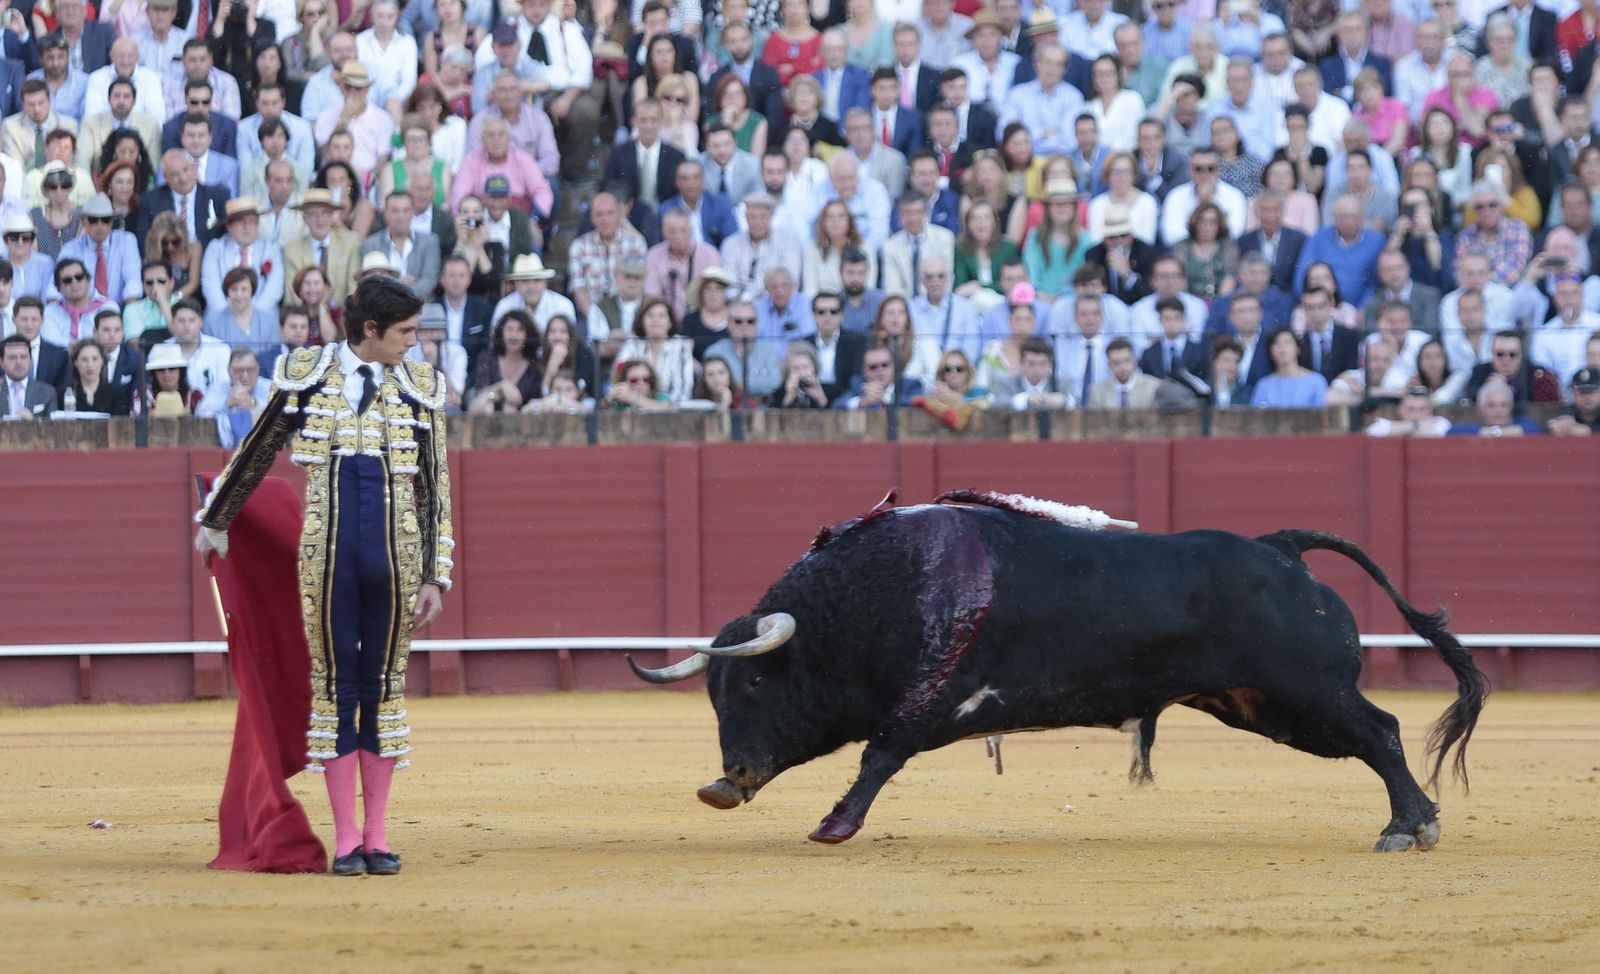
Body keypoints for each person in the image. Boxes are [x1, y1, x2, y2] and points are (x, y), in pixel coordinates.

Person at [196, 277, 449, 878]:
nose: (413, 343)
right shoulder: (307, 376)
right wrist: (218, 518)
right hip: (327, 567)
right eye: (405, 332)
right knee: (336, 692)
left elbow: (434, 487)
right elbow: (257, 449)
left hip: (395, 567)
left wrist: (435, 576)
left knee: (383, 691)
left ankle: (378, 835)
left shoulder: (421, 388)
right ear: (371, 330)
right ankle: (347, 839)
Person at [1252, 328, 1330, 407]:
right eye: (1276, 343)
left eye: (1287, 342)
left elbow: (1322, 412)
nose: (1281, 347)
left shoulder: (1316, 381)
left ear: (1298, 348)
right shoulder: (1263, 385)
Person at [1366, 386, 1452, 437]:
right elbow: (1372, 433)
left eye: (1422, 409)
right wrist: (1415, 426)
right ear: (1400, 410)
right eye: (1411, 409)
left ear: (1430, 411)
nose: (1416, 414)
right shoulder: (1383, 425)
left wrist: (1405, 429)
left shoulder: (1440, 422)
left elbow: (1439, 432)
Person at [1547, 367, 1600, 435]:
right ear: (1573, 393)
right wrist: (1553, 427)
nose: (1587, 397)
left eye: (1591, 391)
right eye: (1582, 392)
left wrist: (1589, 431)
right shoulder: (1566, 412)